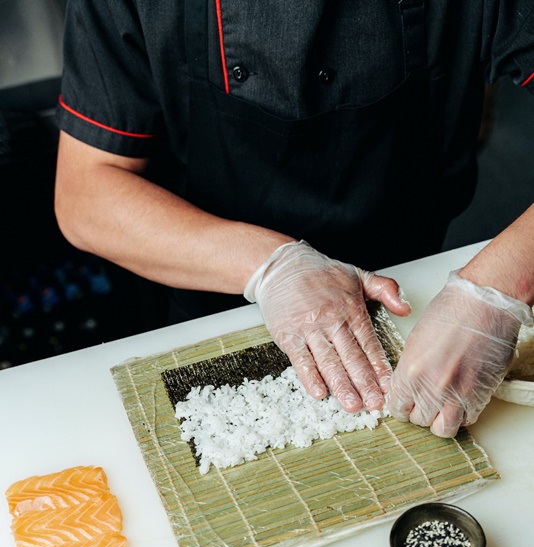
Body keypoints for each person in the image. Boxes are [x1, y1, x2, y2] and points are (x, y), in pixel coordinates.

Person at [54, 0, 534, 438]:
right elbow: (86, 194)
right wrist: (272, 267)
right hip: (217, 297)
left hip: (423, 298)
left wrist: (495, 291)